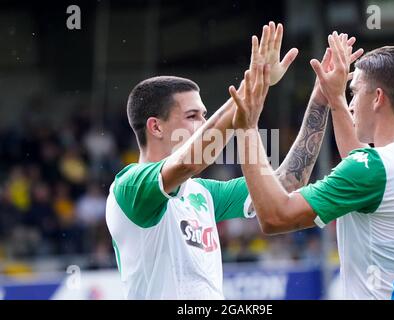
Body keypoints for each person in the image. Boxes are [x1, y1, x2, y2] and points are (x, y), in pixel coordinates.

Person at [230, 31, 394, 300]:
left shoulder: (373, 170)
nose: (352, 104)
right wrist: (332, 99)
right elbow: (370, 175)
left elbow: (276, 216)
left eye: (354, 92)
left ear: (378, 98)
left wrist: (248, 128)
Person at [105, 22, 311, 299]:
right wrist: (252, 85)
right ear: (155, 127)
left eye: (205, 115)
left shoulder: (203, 193)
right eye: (193, 116)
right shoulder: (130, 188)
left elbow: (287, 182)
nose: (204, 124)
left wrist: (324, 97)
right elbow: (192, 161)